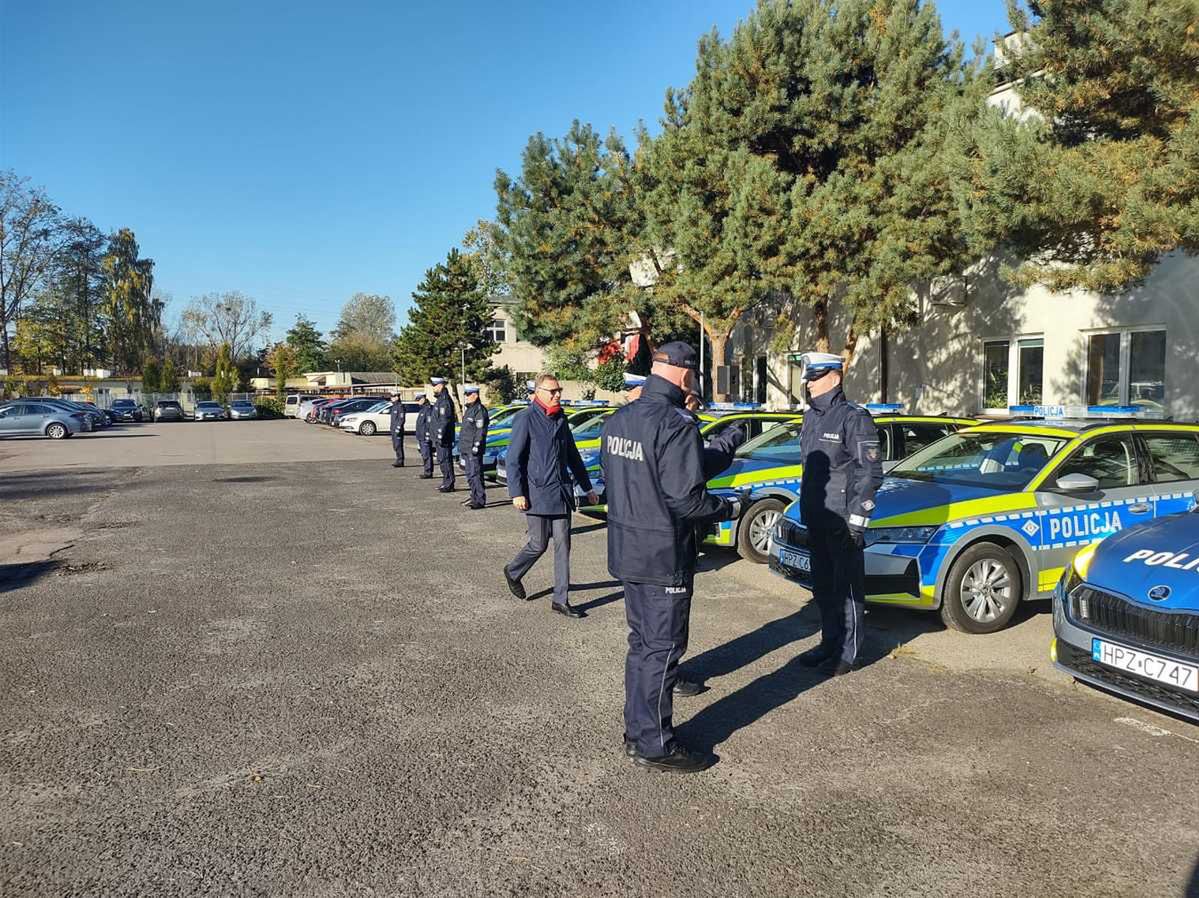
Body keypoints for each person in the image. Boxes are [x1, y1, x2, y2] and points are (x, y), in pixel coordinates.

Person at [601, 342, 741, 774]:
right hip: (664, 556)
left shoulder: (620, 419)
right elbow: (686, 499)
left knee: (642, 646)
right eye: (693, 375)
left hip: (629, 549)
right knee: (661, 650)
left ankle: (636, 731)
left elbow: (648, 473)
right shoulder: (676, 423)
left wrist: (724, 444)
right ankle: (654, 743)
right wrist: (729, 508)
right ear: (683, 374)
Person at [794, 351, 884, 676]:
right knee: (822, 587)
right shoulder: (810, 417)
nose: (809, 385)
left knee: (846, 590)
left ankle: (849, 653)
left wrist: (857, 522)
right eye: (808, 379)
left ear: (835, 377)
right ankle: (829, 642)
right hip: (817, 517)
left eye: (815, 378)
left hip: (843, 521)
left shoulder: (853, 417)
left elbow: (870, 474)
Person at [503, 372, 599, 619]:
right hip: (535, 493)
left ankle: (561, 599)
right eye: (552, 391)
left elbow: (572, 455)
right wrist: (516, 492)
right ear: (537, 393)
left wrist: (587, 487)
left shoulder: (561, 419)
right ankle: (513, 571)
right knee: (538, 544)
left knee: (563, 545)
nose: (557, 395)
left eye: (559, 391)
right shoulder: (525, 418)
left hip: (561, 492)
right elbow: (514, 459)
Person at [458, 385, 489, 510]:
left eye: (468, 394)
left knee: (476, 474)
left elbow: (480, 430)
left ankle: (480, 500)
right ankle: (473, 496)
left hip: (473, 449)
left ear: (475, 395)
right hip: (466, 448)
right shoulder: (469, 410)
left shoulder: (479, 410)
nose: (466, 397)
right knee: (470, 474)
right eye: (466, 394)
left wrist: (477, 445)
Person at [430, 377, 457, 492]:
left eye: (435, 386)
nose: (433, 388)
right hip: (439, 437)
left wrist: (440, 435)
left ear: (441, 385)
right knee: (442, 460)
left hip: (444, 438)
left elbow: (444, 420)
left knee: (445, 460)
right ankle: (446, 481)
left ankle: (449, 483)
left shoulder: (444, 401)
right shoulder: (440, 400)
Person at [412, 393, 434, 478]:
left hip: (425, 436)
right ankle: (427, 470)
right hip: (421, 436)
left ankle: (428, 472)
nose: (417, 402)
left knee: (427, 455)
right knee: (424, 454)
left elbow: (429, 424)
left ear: (423, 399)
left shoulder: (428, 409)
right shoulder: (423, 409)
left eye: (418, 400)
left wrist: (428, 435)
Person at [388, 392, 406, 468]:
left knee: (398, 445)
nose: (391, 398)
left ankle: (400, 461)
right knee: (395, 446)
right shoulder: (394, 407)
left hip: (398, 430)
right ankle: (398, 459)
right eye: (391, 396)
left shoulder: (400, 407)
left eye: (393, 396)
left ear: (397, 397)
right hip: (393, 429)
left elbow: (401, 419)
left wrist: (398, 427)